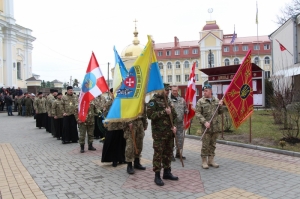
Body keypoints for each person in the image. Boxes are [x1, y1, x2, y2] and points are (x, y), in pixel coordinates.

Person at [147, 83, 178, 186]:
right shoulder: (153, 101)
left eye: (168, 90)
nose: (167, 92)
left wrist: (174, 127)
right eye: (165, 90)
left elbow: (174, 115)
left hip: (169, 133)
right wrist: (164, 112)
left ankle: (167, 172)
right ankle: (157, 175)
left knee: (168, 153)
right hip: (159, 134)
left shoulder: (168, 101)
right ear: (159, 90)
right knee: (158, 155)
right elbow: (150, 115)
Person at [195, 84, 223, 169]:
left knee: (213, 145)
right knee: (205, 145)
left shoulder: (216, 100)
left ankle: (211, 160)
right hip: (206, 127)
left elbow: (220, 112)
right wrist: (204, 122)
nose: (204, 92)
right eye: (204, 91)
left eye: (206, 91)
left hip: (215, 127)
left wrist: (221, 105)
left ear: (211, 91)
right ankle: (204, 161)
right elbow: (197, 113)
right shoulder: (201, 101)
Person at [101, 88, 126, 167]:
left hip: (121, 126)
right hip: (112, 127)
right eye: (113, 92)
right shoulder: (108, 103)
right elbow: (104, 114)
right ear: (111, 93)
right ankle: (114, 160)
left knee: (121, 143)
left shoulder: (122, 102)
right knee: (113, 143)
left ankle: (121, 158)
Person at [123, 103, 148, 174]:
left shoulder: (141, 98)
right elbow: (124, 111)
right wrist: (128, 121)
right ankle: (129, 165)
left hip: (139, 122)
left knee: (139, 144)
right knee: (130, 145)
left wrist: (145, 123)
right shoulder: (129, 97)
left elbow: (144, 112)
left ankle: (137, 162)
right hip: (130, 124)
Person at [170, 85, 188, 160]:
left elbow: (185, 109)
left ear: (178, 90)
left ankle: (178, 153)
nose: (174, 92)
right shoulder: (168, 100)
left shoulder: (182, 100)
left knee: (180, 139)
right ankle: (170, 154)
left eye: (176, 90)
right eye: (173, 90)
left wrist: (187, 111)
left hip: (180, 123)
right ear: (171, 90)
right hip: (171, 123)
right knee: (171, 139)